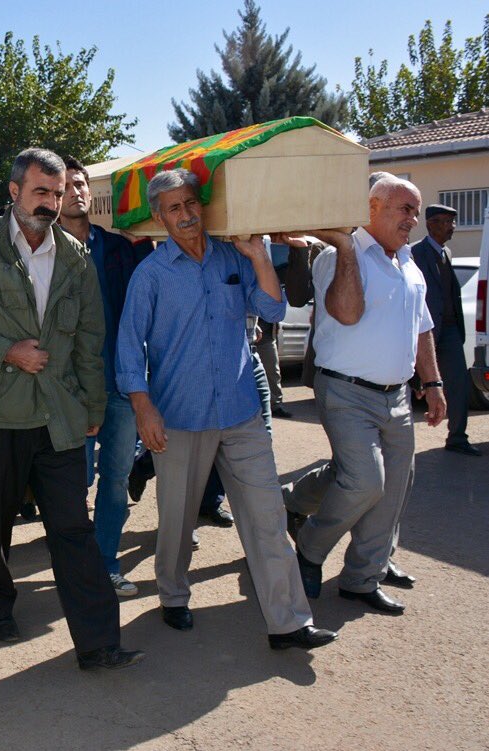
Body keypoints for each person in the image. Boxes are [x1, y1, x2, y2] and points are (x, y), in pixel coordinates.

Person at [0, 147, 144, 670]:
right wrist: (8, 351)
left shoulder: (75, 256)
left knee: (72, 528)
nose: (50, 202)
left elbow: (90, 339)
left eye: (57, 192)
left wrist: (92, 404)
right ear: (14, 192)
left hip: (59, 415)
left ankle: (98, 643)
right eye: (40, 192)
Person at [116, 168, 336, 650]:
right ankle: (173, 594)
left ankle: (289, 622)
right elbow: (130, 346)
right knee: (178, 518)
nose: (186, 214)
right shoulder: (151, 274)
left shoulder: (232, 257)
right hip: (180, 415)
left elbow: (272, 310)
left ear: (203, 204)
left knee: (266, 516)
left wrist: (258, 255)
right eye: (173, 208)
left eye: (191, 203)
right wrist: (143, 408)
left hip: (240, 411)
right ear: (159, 217)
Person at [293, 175, 446, 615]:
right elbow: (345, 312)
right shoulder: (338, 256)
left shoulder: (408, 263)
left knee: (394, 488)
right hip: (346, 390)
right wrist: (345, 245)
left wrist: (433, 383)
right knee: (365, 481)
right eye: (405, 209)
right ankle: (309, 546)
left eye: (416, 212)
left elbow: (422, 328)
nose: (413, 220)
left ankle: (362, 577)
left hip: (398, 397)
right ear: (372, 207)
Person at [59, 156, 152, 597]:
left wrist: (142, 244)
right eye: (66, 186)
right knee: (74, 483)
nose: (76, 191)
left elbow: (143, 302)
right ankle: (76, 566)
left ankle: (105, 566)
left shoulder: (118, 247)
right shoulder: (43, 252)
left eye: (80, 183)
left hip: (120, 383)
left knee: (115, 481)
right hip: (70, 390)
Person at [412, 203, 480, 456]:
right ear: (431, 224)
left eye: (453, 221)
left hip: (449, 330)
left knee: (459, 384)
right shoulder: (414, 253)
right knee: (410, 385)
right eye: (446, 222)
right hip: (424, 330)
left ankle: (457, 438)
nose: (452, 227)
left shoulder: (447, 253)